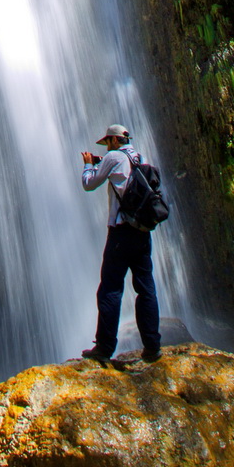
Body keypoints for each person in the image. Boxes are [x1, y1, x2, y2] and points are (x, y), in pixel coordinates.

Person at [79, 123, 161, 363]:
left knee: (111, 288)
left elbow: (89, 183)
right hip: (143, 231)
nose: (107, 148)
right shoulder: (141, 157)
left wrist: (88, 165)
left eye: (108, 143)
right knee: (146, 288)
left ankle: (104, 348)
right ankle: (152, 346)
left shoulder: (113, 157)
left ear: (114, 141)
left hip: (121, 233)